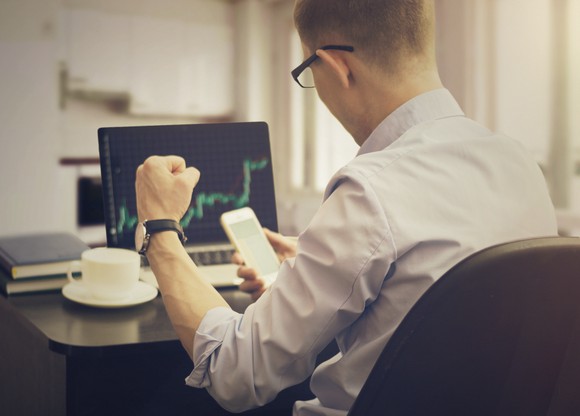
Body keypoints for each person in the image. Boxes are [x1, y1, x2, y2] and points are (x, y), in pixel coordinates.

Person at [135, 0, 558, 414]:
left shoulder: (371, 188)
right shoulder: (519, 164)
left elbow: (234, 373)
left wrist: (160, 227)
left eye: (307, 72)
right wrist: (321, 268)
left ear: (337, 66)